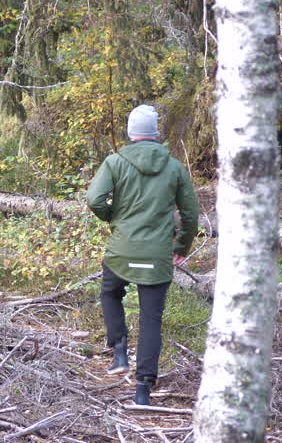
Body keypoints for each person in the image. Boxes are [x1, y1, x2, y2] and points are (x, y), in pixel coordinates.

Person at [86, 104, 199, 406]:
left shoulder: (114, 161)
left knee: (110, 293)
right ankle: (143, 390)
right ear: (155, 133)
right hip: (158, 254)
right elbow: (190, 214)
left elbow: (94, 198)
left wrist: (113, 218)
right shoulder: (174, 166)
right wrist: (181, 247)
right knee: (151, 319)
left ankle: (119, 351)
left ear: (130, 133)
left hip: (122, 251)